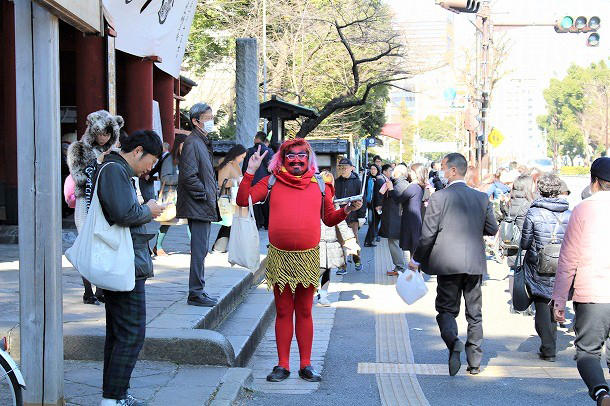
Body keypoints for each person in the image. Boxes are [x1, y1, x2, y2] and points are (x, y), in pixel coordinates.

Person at [236, 139, 362, 383]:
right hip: (280, 257)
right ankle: (282, 364)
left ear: (309, 158)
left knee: (304, 311)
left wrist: (346, 210)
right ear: (282, 158)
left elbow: (328, 218)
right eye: (290, 155)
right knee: (283, 312)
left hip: (308, 257)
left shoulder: (320, 184)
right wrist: (250, 171)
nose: (295, 160)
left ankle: (306, 364)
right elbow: (244, 200)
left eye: (301, 155)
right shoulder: (272, 180)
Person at [412, 153, 498, 376]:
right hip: (474, 263)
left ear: (452, 171)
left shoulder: (439, 198)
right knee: (474, 312)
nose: (441, 171)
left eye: (442, 167)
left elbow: (428, 234)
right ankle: (475, 362)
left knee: (446, 309)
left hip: (447, 263)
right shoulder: (481, 198)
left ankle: (454, 343)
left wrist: (416, 259)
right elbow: (492, 228)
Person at [97, 130, 165, 406]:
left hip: (123, 261)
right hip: (123, 264)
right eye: (151, 160)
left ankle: (115, 396)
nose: (151, 167)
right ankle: (113, 399)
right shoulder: (115, 170)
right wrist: (149, 209)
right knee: (132, 334)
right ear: (138, 151)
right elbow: (124, 214)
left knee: (119, 334)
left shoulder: (116, 169)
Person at [553, 157, 610, 406]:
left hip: (593, 293)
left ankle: (601, 393)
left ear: (594, 181)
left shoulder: (583, 208)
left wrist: (558, 299)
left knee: (588, 351)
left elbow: (568, 258)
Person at [67, 110, 123, 305]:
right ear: (92, 130)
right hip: (85, 202)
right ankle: (87, 291)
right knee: (86, 244)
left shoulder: (112, 151)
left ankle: (100, 289)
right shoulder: (78, 148)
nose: (104, 138)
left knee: (102, 245)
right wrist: (98, 165)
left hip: (104, 203)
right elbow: (78, 177)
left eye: (108, 134)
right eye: (101, 133)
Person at [520, 172, 571, 362]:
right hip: (563, 263)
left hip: (538, 264)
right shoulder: (569, 213)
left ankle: (548, 348)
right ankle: (551, 344)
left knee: (542, 303)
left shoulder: (534, 212)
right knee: (557, 299)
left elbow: (525, 242)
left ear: (540, 189)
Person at [176, 102, 220, 307]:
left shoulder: (200, 141)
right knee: (199, 249)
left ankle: (198, 290)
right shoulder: (194, 142)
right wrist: (204, 195)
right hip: (199, 204)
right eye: (208, 118)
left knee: (201, 250)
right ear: (195, 121)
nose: (211, 121)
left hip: (202, 203)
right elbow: (188, 176)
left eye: (212, 117)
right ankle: (196, 292)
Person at [318, 171, 360, 306]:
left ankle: (322, 295)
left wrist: (349, 239)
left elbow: (339, 220)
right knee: (321, 267)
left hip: (328, 237)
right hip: (314, 238)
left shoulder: (331, 197)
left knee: (326, 267)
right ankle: (316, 291)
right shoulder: (313, 196)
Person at [502, 175, 536, 313]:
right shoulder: (529, 203)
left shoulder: (510, 201)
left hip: (511, 242)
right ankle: (525, 306)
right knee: (526, 273)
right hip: (525, 242)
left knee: (513, 271)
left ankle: (515, 305)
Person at [153, 133, 189, 256]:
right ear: (179, 144)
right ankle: (157, 246)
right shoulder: (170, 159)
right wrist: (181, 178)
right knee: (167, 220)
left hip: (184, 195)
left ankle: (195, 247)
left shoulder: (186, 158)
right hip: (171, 195)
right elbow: (164, 178)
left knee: (189, 220)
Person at [387, 163, 426, 261]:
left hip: (411, 220)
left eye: (412, 171)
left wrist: (391, 189)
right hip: (412, 218)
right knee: (413, 249)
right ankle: (414, 272)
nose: (409, 173)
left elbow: (398, 200)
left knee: (413, 248)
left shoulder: (413, 187)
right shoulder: (417, 186)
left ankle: (415, 273)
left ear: (417, 173)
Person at [212, 144, 247, 253]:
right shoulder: (227, 164)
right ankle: (218, 247)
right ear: (236, 155)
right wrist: (237, 181)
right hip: (228, 198)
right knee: (228, 223)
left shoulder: (235, 165)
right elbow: (221, 182)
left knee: (230, 223)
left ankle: (220, 246)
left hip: (234, 198)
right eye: (242, 157)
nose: (242, 160)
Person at [335, 158, 365, 271]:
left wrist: (362, 215)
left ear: (351, 168)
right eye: (341, 168)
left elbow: (363, 199)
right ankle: (341, 266)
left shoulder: (357, 181)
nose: (343, 170)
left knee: (353, 241)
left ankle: (357, 261)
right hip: (339, 217)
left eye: (345, 167)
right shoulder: (337, 182)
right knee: (339, 242)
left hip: (353, 217)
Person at [379, 164, 409, 276]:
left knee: (394, 243)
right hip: (394, 217)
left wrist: (390, 188)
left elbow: (398, 200)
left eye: (393, 171)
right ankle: (399, 266)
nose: (392, 173)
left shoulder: (400, 184)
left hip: (395, 218)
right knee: (394, 243)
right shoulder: (398, 183)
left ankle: (400, 267)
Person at [242, 131, 274, 229]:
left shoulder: (249, 151)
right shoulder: (269, 151)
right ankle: (268, 223)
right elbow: (272, 167)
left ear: (257, 139)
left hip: (253, 180)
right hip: (266, 181)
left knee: (254, 202)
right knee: (266, 202)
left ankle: (257, 222)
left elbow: (245, 168)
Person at [363, 163, 382, 247]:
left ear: (377, 170)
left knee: (375, 222)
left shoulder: (379, 179)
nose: (373, 170)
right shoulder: (367, 179)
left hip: (378, 204)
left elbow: (380, 194)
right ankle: (368, 241)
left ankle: (371, 238)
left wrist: (379, 204)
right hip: (371, 203)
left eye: (374, 169)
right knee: (373, 222)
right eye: (371, 169)